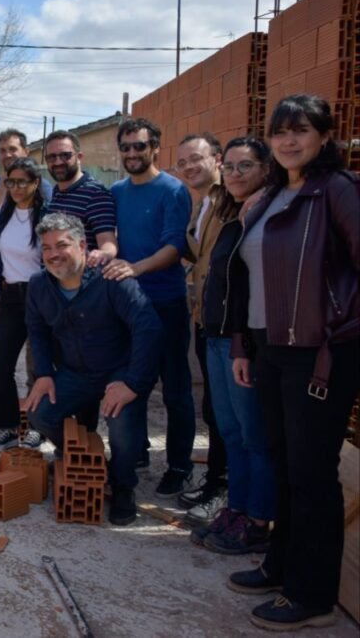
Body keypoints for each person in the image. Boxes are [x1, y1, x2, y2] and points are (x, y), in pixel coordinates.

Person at [226, 95, 359, 632]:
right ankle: (281, 566)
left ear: (324, 136)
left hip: (318, 353)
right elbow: (246, 277)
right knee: (284, 465)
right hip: (271, 349)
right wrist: (243, 345)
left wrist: (340, 332)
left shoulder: (338, 192)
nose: (288, 141)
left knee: (312, 476)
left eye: (300, 130)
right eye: (280, 132)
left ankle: (313, 595)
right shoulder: (278, 193)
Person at [24, 213, 161, 526]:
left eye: (62, 245)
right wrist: (44, 374)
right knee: (41, 413)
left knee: (122, 427)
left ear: (83, 245)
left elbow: (148, 329)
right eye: (46, 248)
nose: (53, 254)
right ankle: (85, 459)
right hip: (75, 372)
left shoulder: (112, 279)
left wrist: (132, 383)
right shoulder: (38, 285)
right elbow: (37, 331)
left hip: (119, 372)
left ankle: (123, 484)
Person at [188, 137, 274, 555]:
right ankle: (237, 510)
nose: (237, 174)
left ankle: (258, 522)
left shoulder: (269, 214)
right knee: (232, 432)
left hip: (244, 344)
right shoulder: (235, 213)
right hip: (217, 337)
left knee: (254, 435)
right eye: (233, 167)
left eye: (247, 166)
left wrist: (242, 343)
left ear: (266, 169)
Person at [104, 118, 196, 497]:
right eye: (125, 147)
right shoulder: (117, 191)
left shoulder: (173, 190)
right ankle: (136, 452)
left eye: (139, 146)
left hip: (166, 302)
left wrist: (135, 268)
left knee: (175, 390)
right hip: (129, 307)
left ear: (155, 147)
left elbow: (174, 247)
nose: (132, 154)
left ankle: (178, 466)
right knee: (132, 385)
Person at [174, 133, 229, 522]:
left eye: (197, 159)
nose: (190, 167)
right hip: (205, 317)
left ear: (217, 159)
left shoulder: (232, 201)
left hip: (228, 323)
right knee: (213, 408)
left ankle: (225, 492)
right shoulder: (202, 203)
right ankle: (215, 483)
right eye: (183, 163)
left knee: (228, 415)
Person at [0, 158, 45, 453]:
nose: (17, 187)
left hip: (41, 298)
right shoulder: (3, 215)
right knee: (2, 364)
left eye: (23, 181)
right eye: (11, 181)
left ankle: (37, 428)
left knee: (41, 366)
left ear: (36, 183)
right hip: (10, 298)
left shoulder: (45, 217)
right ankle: (8, 426)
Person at [42, 130, 117, 263]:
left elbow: (107, 241)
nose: (58, 162)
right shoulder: (57, 191)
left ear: (79, 157)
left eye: (65, 155)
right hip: (55, 279)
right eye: (52, 157)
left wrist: (104, 253)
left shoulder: (95, 193)